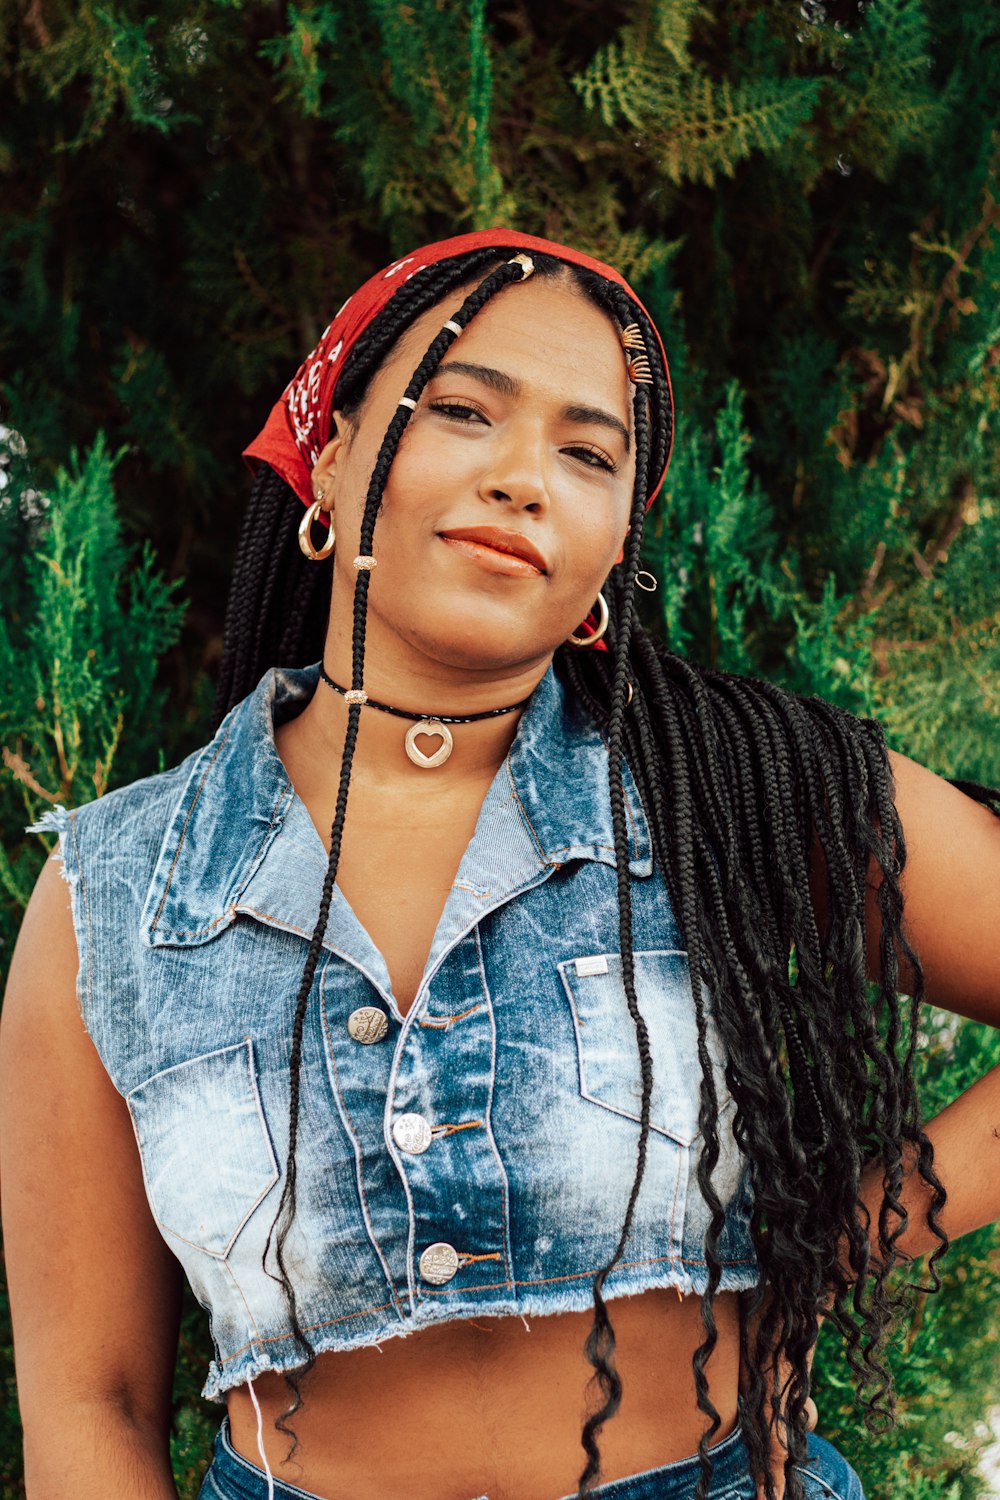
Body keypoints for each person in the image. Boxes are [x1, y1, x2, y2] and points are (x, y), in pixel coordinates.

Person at [1, 228, 998, 1500]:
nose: (525, 478)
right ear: (335, 452)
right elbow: (97, 1400)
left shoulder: (733, 790)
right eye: (464, 411)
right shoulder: (120, 888)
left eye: (589, 453)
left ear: (612, 545)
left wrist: (829, 1247)